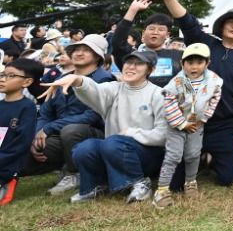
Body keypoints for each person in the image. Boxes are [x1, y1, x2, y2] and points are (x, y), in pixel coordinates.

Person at [147, 0, 233, 188]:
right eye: (230, 22)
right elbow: (187, 21)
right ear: (222, 26)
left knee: (231, 179)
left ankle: (209, 159)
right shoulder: (206, 44)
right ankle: (199, 158)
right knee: (174, 184)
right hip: (192, 120)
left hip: (226, 125)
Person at [43, 48, 167, 204]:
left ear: (151, 69)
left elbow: (164, 135)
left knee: (113, 142)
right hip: (114, 149)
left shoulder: (159, 94)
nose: (131, 67)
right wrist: (77, 80)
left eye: (139, 64)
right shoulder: (114, 88)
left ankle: (140, 182)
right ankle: (94, 186)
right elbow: (94, 90)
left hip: (148, 154)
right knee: (85, 148)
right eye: (129, 62)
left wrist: (132, 133)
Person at [23, 35, 114, 195]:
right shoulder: (62, 78)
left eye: (86, 50)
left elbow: (94, 116)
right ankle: (63, 166)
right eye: (76, 49)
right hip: (59, 134)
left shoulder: (104, 78)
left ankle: (75, 173)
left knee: (71, 130)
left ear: (97, 56)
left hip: (93, 135)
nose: (79, 53)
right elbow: (46, 111)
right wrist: (38, 132)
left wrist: (49, 128)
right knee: (26, 151)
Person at [152, 43, 223, 208]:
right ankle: (162, 190)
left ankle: (190, 182)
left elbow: (215, 97)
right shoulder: (176, 82)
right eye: (190, 62)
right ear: (182, 63)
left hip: (197, 125)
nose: (194, 67)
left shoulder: (213, 80)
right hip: (176, 125)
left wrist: (205, 117)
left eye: (199, 62)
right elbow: (169, 104)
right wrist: (181, 124)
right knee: (173, 156)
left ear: (207, 63)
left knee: (193, 154)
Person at [112, 0, 182, 88]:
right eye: (151, 28)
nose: (155, 32)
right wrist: (132, 10)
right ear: (143, 33)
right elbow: (118, 42)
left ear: (167, 35)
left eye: (161, 29)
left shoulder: (178, 56)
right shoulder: (132, 56)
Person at [0, 58, 41, 205]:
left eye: (11, 76)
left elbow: (22, 142)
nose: (3, 79)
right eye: (3, 75)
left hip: (9, 162)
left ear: (27, 82)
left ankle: (8, 183)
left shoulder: (27, 107)